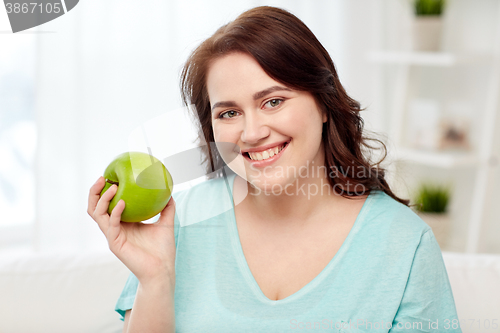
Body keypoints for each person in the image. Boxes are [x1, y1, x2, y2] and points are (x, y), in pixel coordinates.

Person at [87, 6, 461, 333]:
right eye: (229, 113)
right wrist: (155, 279)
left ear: (325, 104)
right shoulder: (180, 222)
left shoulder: (404, 243)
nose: (252, 133)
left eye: (273, 101)